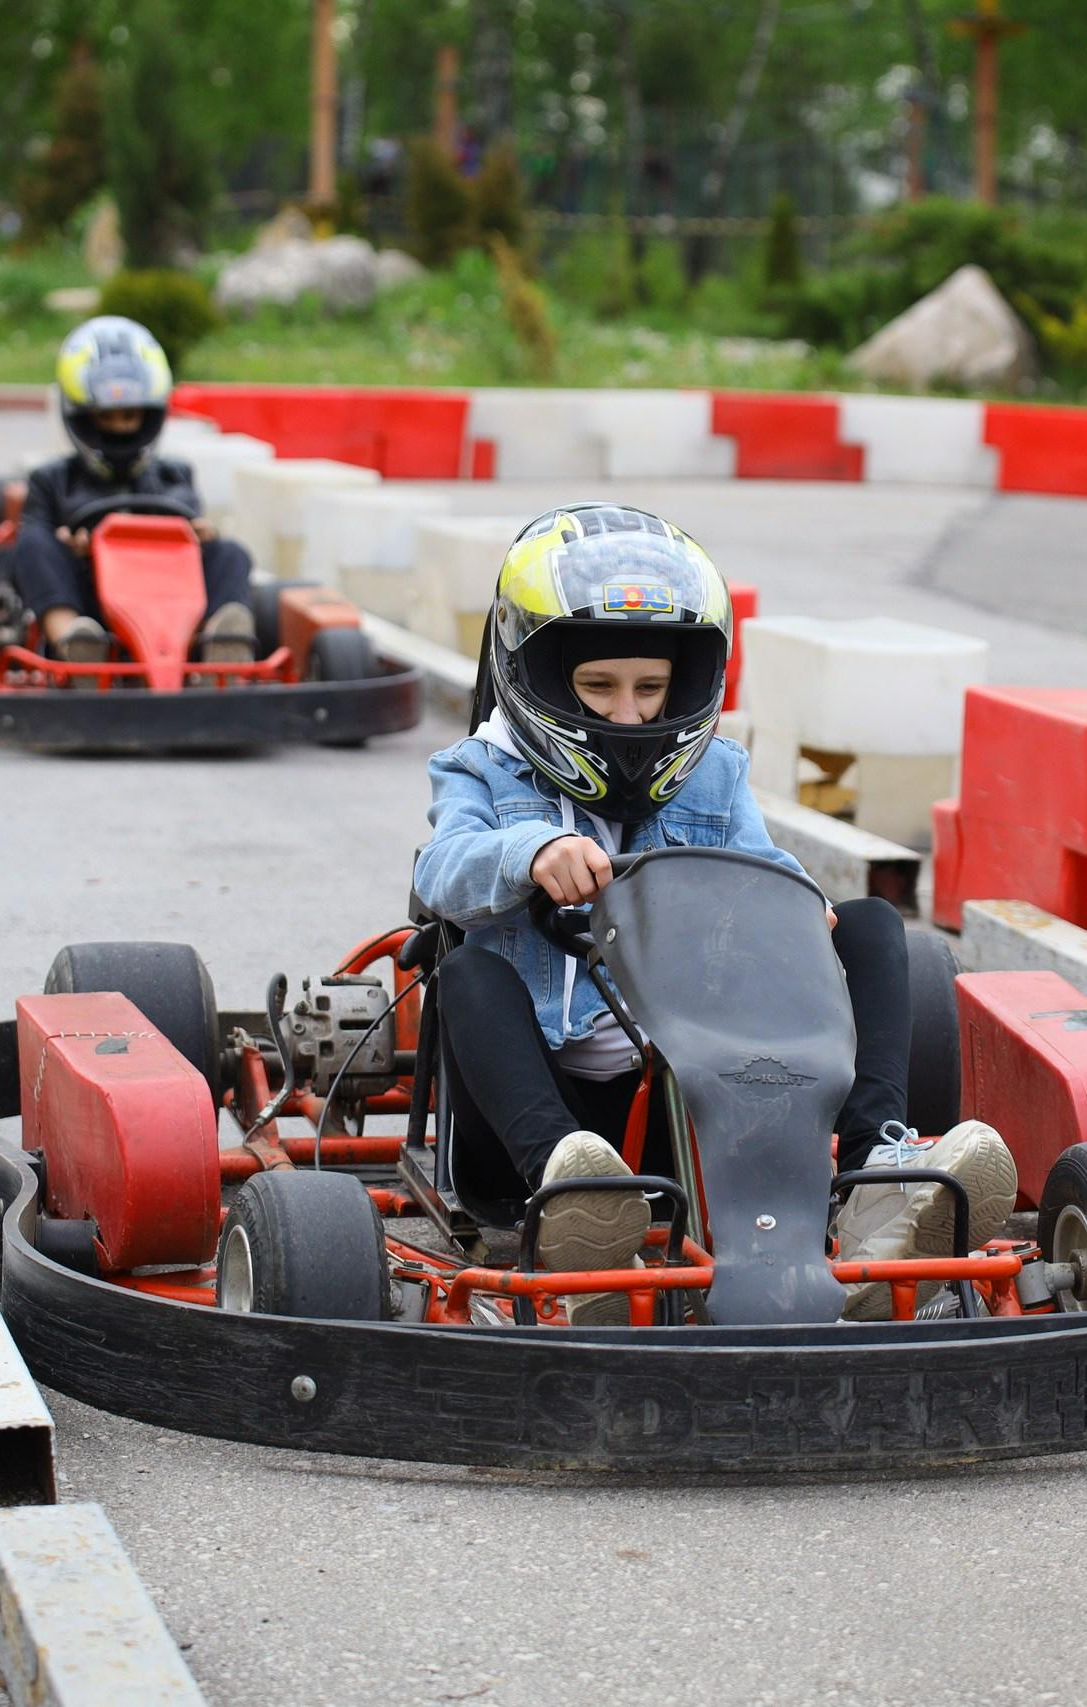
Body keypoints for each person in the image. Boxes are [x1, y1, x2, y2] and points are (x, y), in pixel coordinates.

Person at [411, 502, 1018, 1324]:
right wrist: (529, 854)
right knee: (470, 972)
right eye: (598, 686)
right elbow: (443, 869)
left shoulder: (714, 776)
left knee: (875, 926)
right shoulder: (480, 770)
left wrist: (800, 912)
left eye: (651, 688)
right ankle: (580, 1212)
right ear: (541, 677)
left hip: (700, 1098)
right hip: (544, 1117)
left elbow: (762, 866)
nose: (629, 714)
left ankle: (876, 1180)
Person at [16, 317, 257, 668]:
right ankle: (74, 643)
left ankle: (214, 646)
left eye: (129, 416)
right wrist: (69, 544)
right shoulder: (52, 479)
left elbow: (194, 532)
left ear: (149, 416)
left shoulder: (175, 474)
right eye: (107, 416)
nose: (119, 427)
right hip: (90, 605)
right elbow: (37, 548)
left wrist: (200, 535)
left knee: (231, 552)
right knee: (32, 544)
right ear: (82, 417)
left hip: (169, 595)